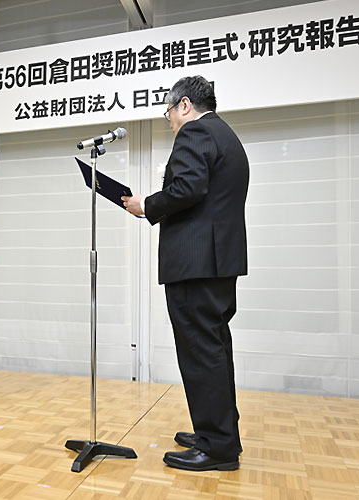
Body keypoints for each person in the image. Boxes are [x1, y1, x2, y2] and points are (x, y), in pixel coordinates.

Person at [122, 75, 248, 471]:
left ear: (185, 106)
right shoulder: (226, 135)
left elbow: (188, 188)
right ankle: (220, 434)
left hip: (195, 265)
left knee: (201, 354)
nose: (171, 123)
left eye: (169, 114)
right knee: (214, 350)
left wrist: (147, 205)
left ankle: (217, 448)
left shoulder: (195, 132)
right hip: (218, 263)